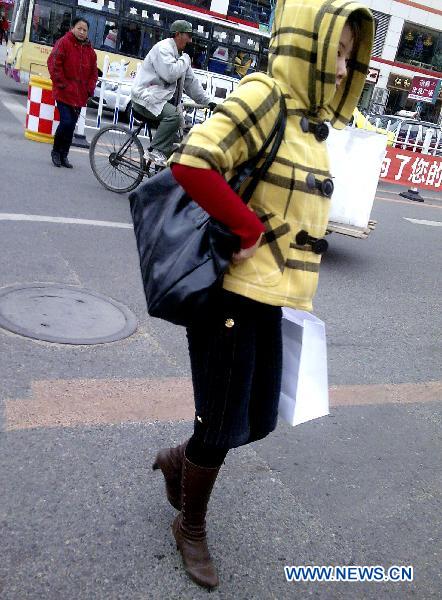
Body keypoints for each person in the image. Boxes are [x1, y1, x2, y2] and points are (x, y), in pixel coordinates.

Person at [152, 0, 374, 591]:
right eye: (336, 53)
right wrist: (246, 229)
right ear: (307, 44)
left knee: (256, 417)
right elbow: (194, 163)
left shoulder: (307, 120)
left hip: (269, 296)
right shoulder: (266, 95)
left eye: (350, 57)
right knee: (224, 420)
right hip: (230, 292)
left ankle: (181, 459)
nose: (341, 68)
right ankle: (190, 526)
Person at [131, 20, 215, 167]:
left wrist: (209, 102)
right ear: (177, 34)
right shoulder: (163, 48)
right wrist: (186, 59)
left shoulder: (180, 56)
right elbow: (170, 74)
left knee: (176, 141)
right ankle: (155, 151)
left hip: (158, 102)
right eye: (188, 35)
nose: (190, 40)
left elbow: (192, 84)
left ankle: (160, 174)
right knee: (174, 116)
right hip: (145, 99)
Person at [47, 17, 97, 168]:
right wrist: (62, 84)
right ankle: (56, 152)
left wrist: (89, 89)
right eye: (79, 28)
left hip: (79, 95)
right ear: (72, 28)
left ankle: (64, 155)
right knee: (66, 122)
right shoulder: (63, 43)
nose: (82, 32)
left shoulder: (90, 51)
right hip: (63, 92)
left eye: (85, 30)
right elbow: (54, 63)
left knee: (72, 125)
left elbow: (93, 73)